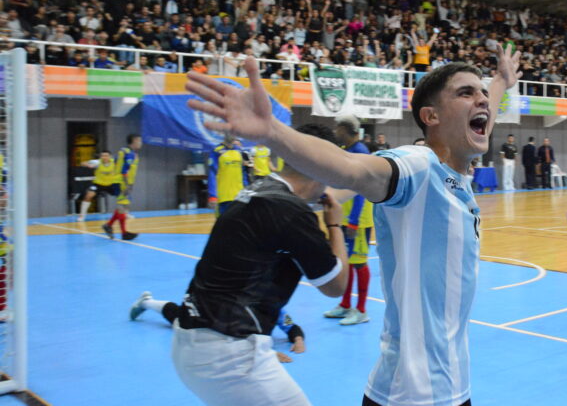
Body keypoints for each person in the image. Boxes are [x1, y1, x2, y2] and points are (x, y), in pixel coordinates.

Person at [185, 44, 520, 406]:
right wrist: (273, 133)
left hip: (452, 388)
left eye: (483, 93)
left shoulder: (457, 172)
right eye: (466, 93)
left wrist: (500, 82)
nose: (483, 100)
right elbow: (353, 168)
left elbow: (484, 111)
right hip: (411, 396)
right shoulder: (419, 166)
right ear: (431, 116)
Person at [168, 123, 349, 406]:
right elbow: (335, 286)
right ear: (322, 167)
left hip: (193, 339)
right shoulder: (292, 211)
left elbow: (326, 196)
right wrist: (335, 225)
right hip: (228, 353)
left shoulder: (260, 189)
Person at [130, 294, 306, 363]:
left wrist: (298, 339)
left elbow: (292, 327)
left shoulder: (275, 308)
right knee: (177, 316)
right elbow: (232, 337)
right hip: (205, 319)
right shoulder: (242, 307)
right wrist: (268, 353)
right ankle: (146, 302)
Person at [323, 115, 373, 326]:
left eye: (338, 128)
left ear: (346, 129)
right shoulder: (347, 151)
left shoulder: (361, 152)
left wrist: (353, 221)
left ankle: (361, 310)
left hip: (358, 219)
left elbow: (362, 189)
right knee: (347, 263)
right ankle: (345, 305)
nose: (335, 131)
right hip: (345, 215)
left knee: (359, 263)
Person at [102, 134, 142, 240]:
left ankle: (109, 225)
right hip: (122, 182)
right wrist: (127, 184)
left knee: (123, 206)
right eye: (139, 141)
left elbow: (115, 162)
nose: (140, 143)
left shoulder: (123, 151)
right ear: (134, 141)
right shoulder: (130, 153)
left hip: (117, 181)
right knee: (122, 206)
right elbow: (125, 170)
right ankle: (124, 233)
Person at [77, 150, 127, 233]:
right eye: (103, 155)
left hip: (110, 184)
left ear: (110, 156)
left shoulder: (115, 162)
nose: (104, 157)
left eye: (106, 155)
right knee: (88, 196)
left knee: (122, 197)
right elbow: (82, 163)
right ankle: (82, 216)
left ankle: (126, 213)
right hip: (98, 184)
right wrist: (88, 165)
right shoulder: (97, 162)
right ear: (100, 157)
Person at [207, 133, 249, 217]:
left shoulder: (239, 151)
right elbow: (212, 174)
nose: (232, 134)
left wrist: (246, 190)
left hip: (238, 197)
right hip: (223, 197)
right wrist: (212, 195)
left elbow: (243, 173)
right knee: (223, 226)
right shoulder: (217, 151)